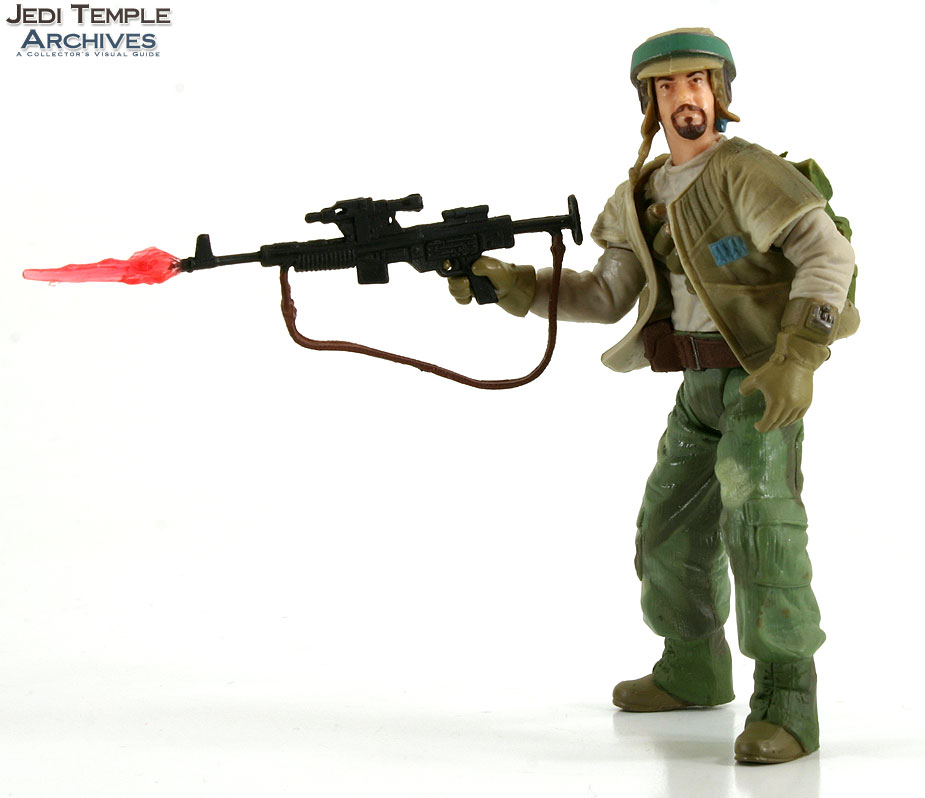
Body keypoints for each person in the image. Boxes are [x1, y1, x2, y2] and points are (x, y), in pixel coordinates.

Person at [449, 28, 859, 764]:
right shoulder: (639, 195)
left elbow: (827, 254)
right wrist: (516, 286)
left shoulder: (748, 173)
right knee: (667, 526)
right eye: (666, 87)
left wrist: (799, 356)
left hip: (759, 379)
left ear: (719, 92)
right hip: (696, 387)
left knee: (760, 525)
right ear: (649, 103)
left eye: (695, 82)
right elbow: (605, 295)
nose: (683, 98)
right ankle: (692, 666)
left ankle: (788, 698)